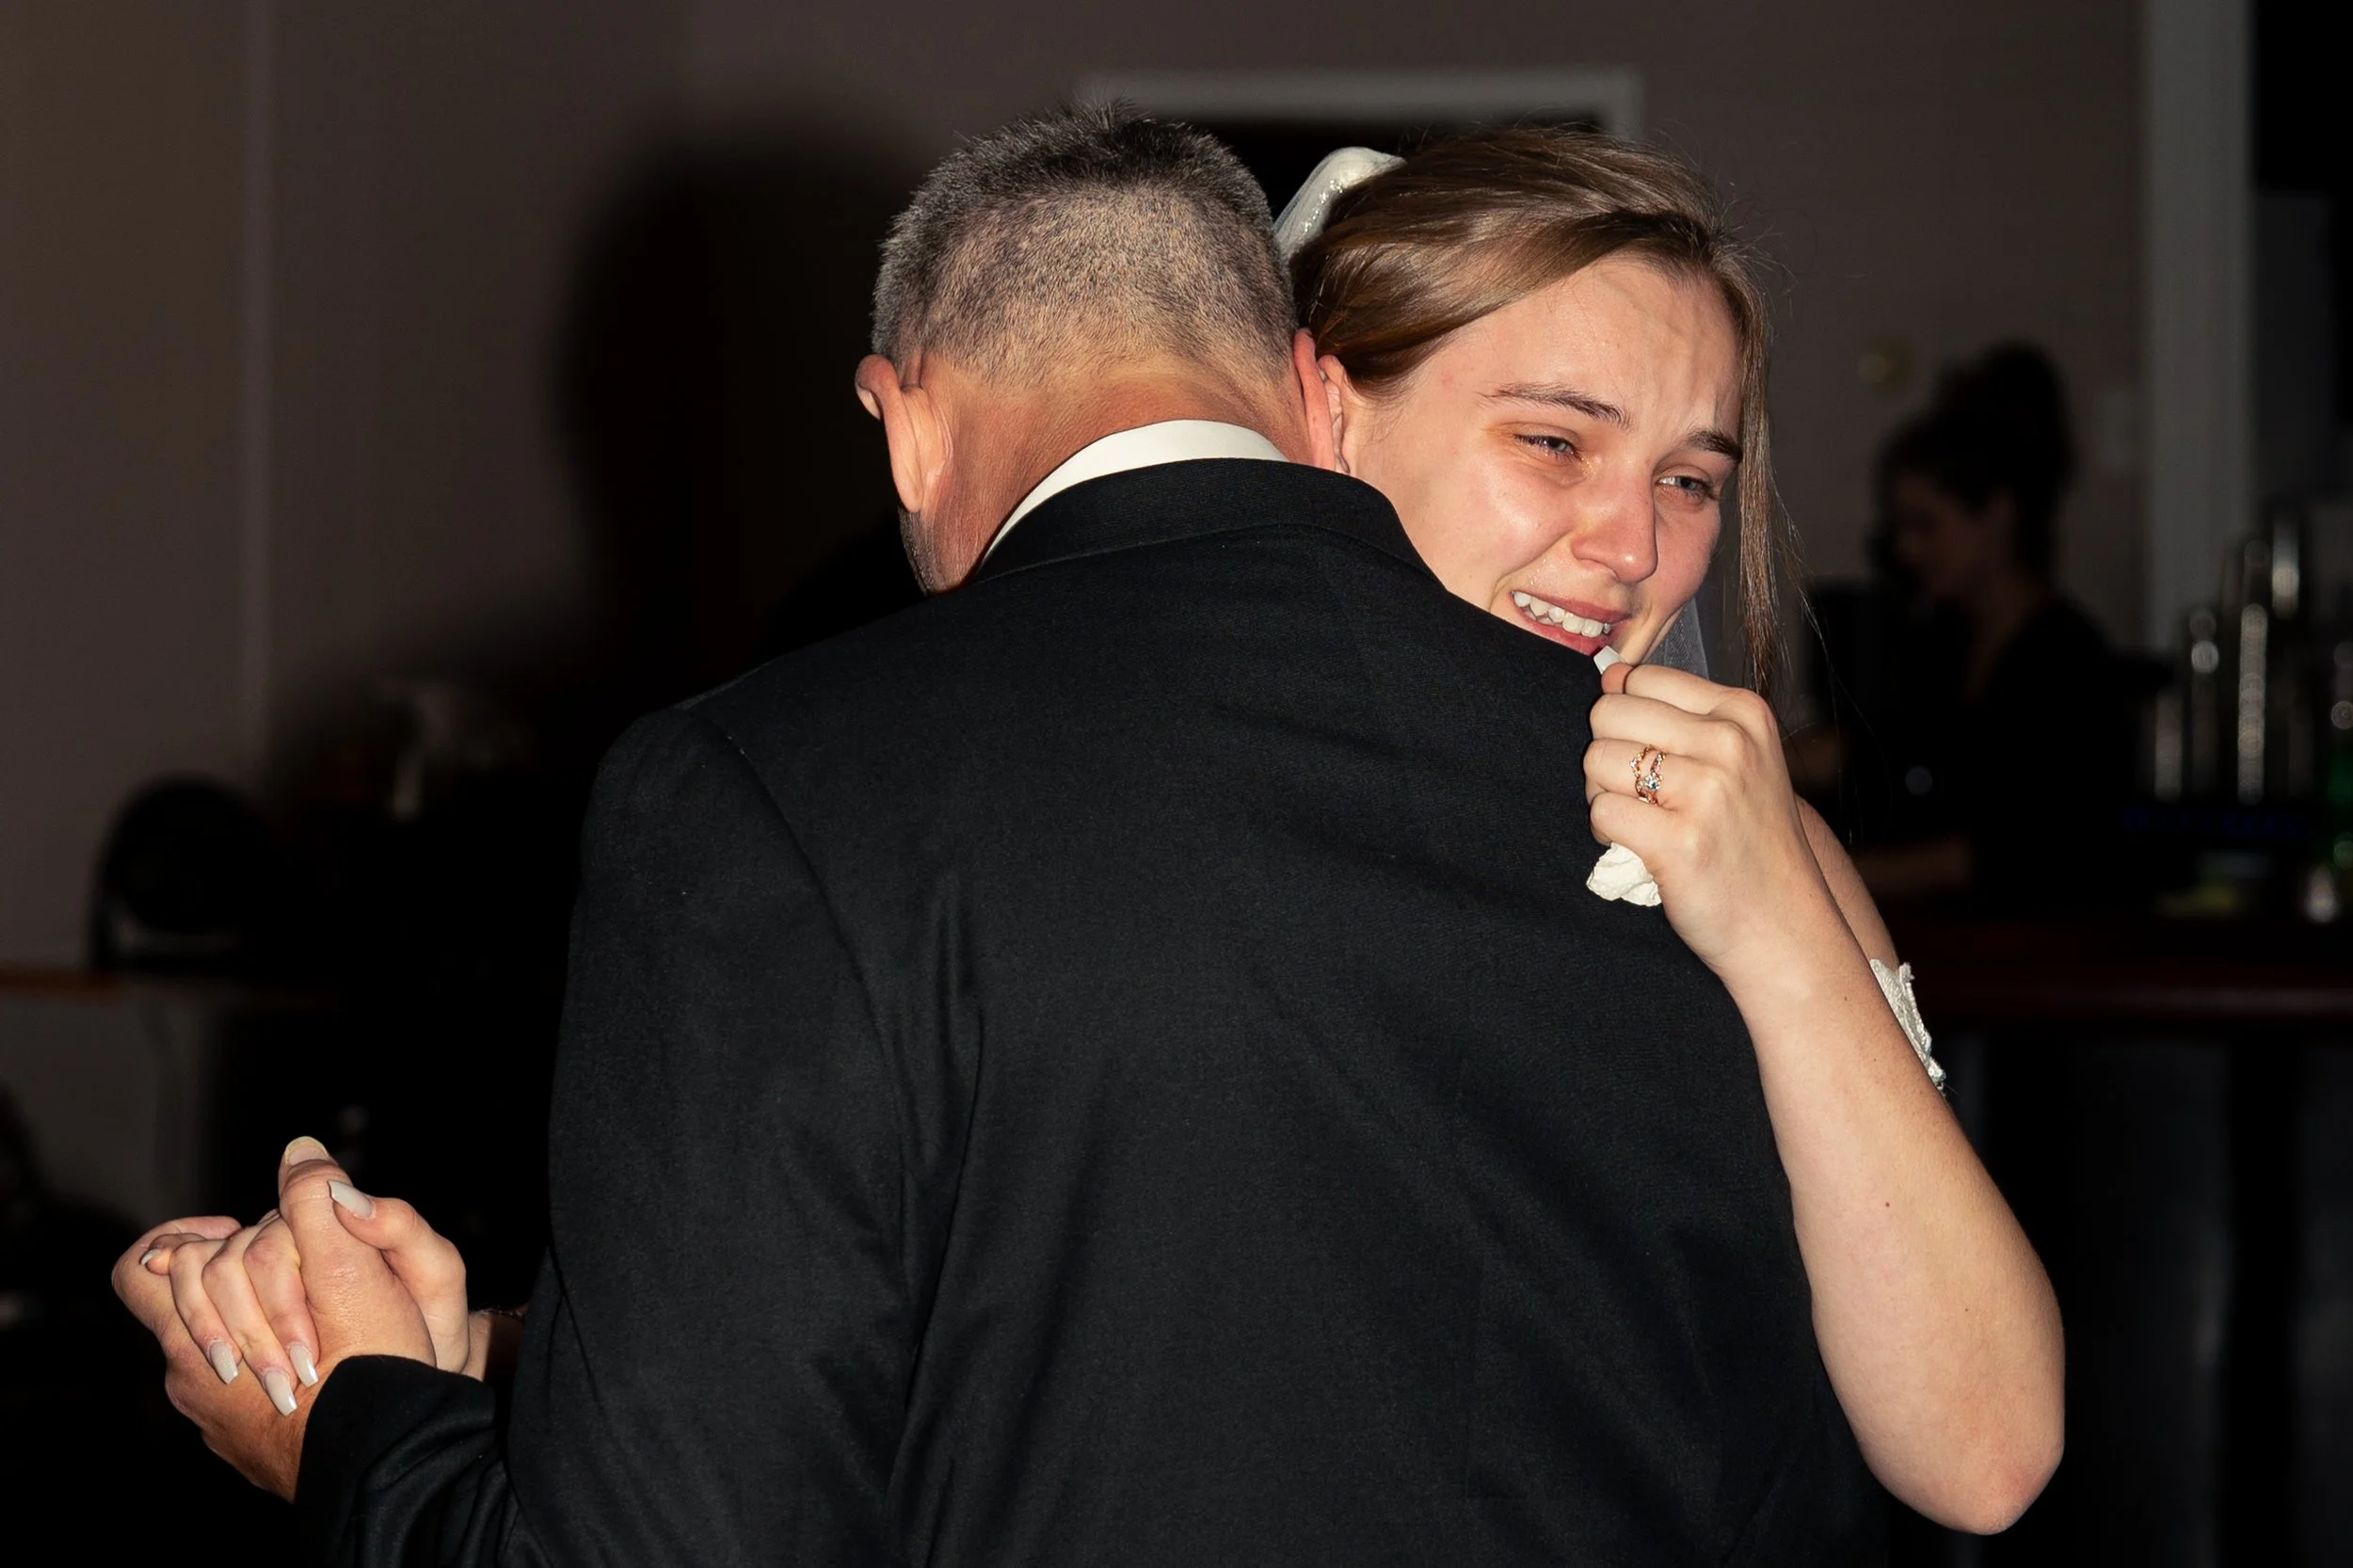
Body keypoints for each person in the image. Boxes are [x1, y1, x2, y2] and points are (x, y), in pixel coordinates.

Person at [115, 115, 2059, 1561]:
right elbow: (1139, 1318)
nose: (1630, 543)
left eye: (1695, 476)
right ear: (1318, 408)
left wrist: (351, 1429)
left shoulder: (1731, 827)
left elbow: (1976, 1446)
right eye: (1551, 442)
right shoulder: (1182, 789)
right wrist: (510, 1355)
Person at [1849, 344, 2131, 904]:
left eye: (1926, 526)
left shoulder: (2066, 661)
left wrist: (1841, 877)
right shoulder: (1940, 643)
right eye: (1901, 528)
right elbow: (1876, 749)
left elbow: (2021, 848)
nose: (1907, 550)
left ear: (1997, 516)